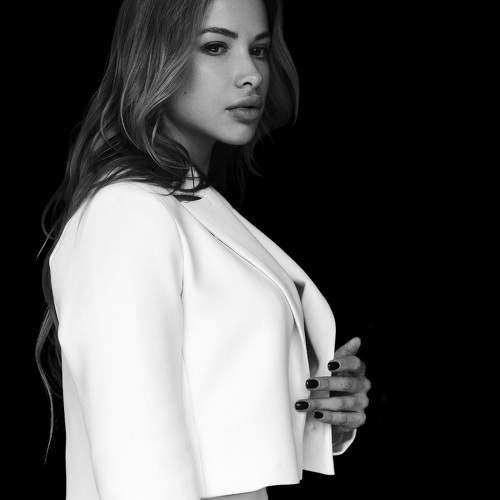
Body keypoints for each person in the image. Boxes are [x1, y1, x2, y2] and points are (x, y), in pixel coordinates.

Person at [36, 0, 371, 499]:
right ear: (156, 57)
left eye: (259, 49)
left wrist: (317, 409)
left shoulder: (186, 205)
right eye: (215, 47)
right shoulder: (126, 213)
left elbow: (215, 408)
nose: (252, 73)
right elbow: (137, 472)